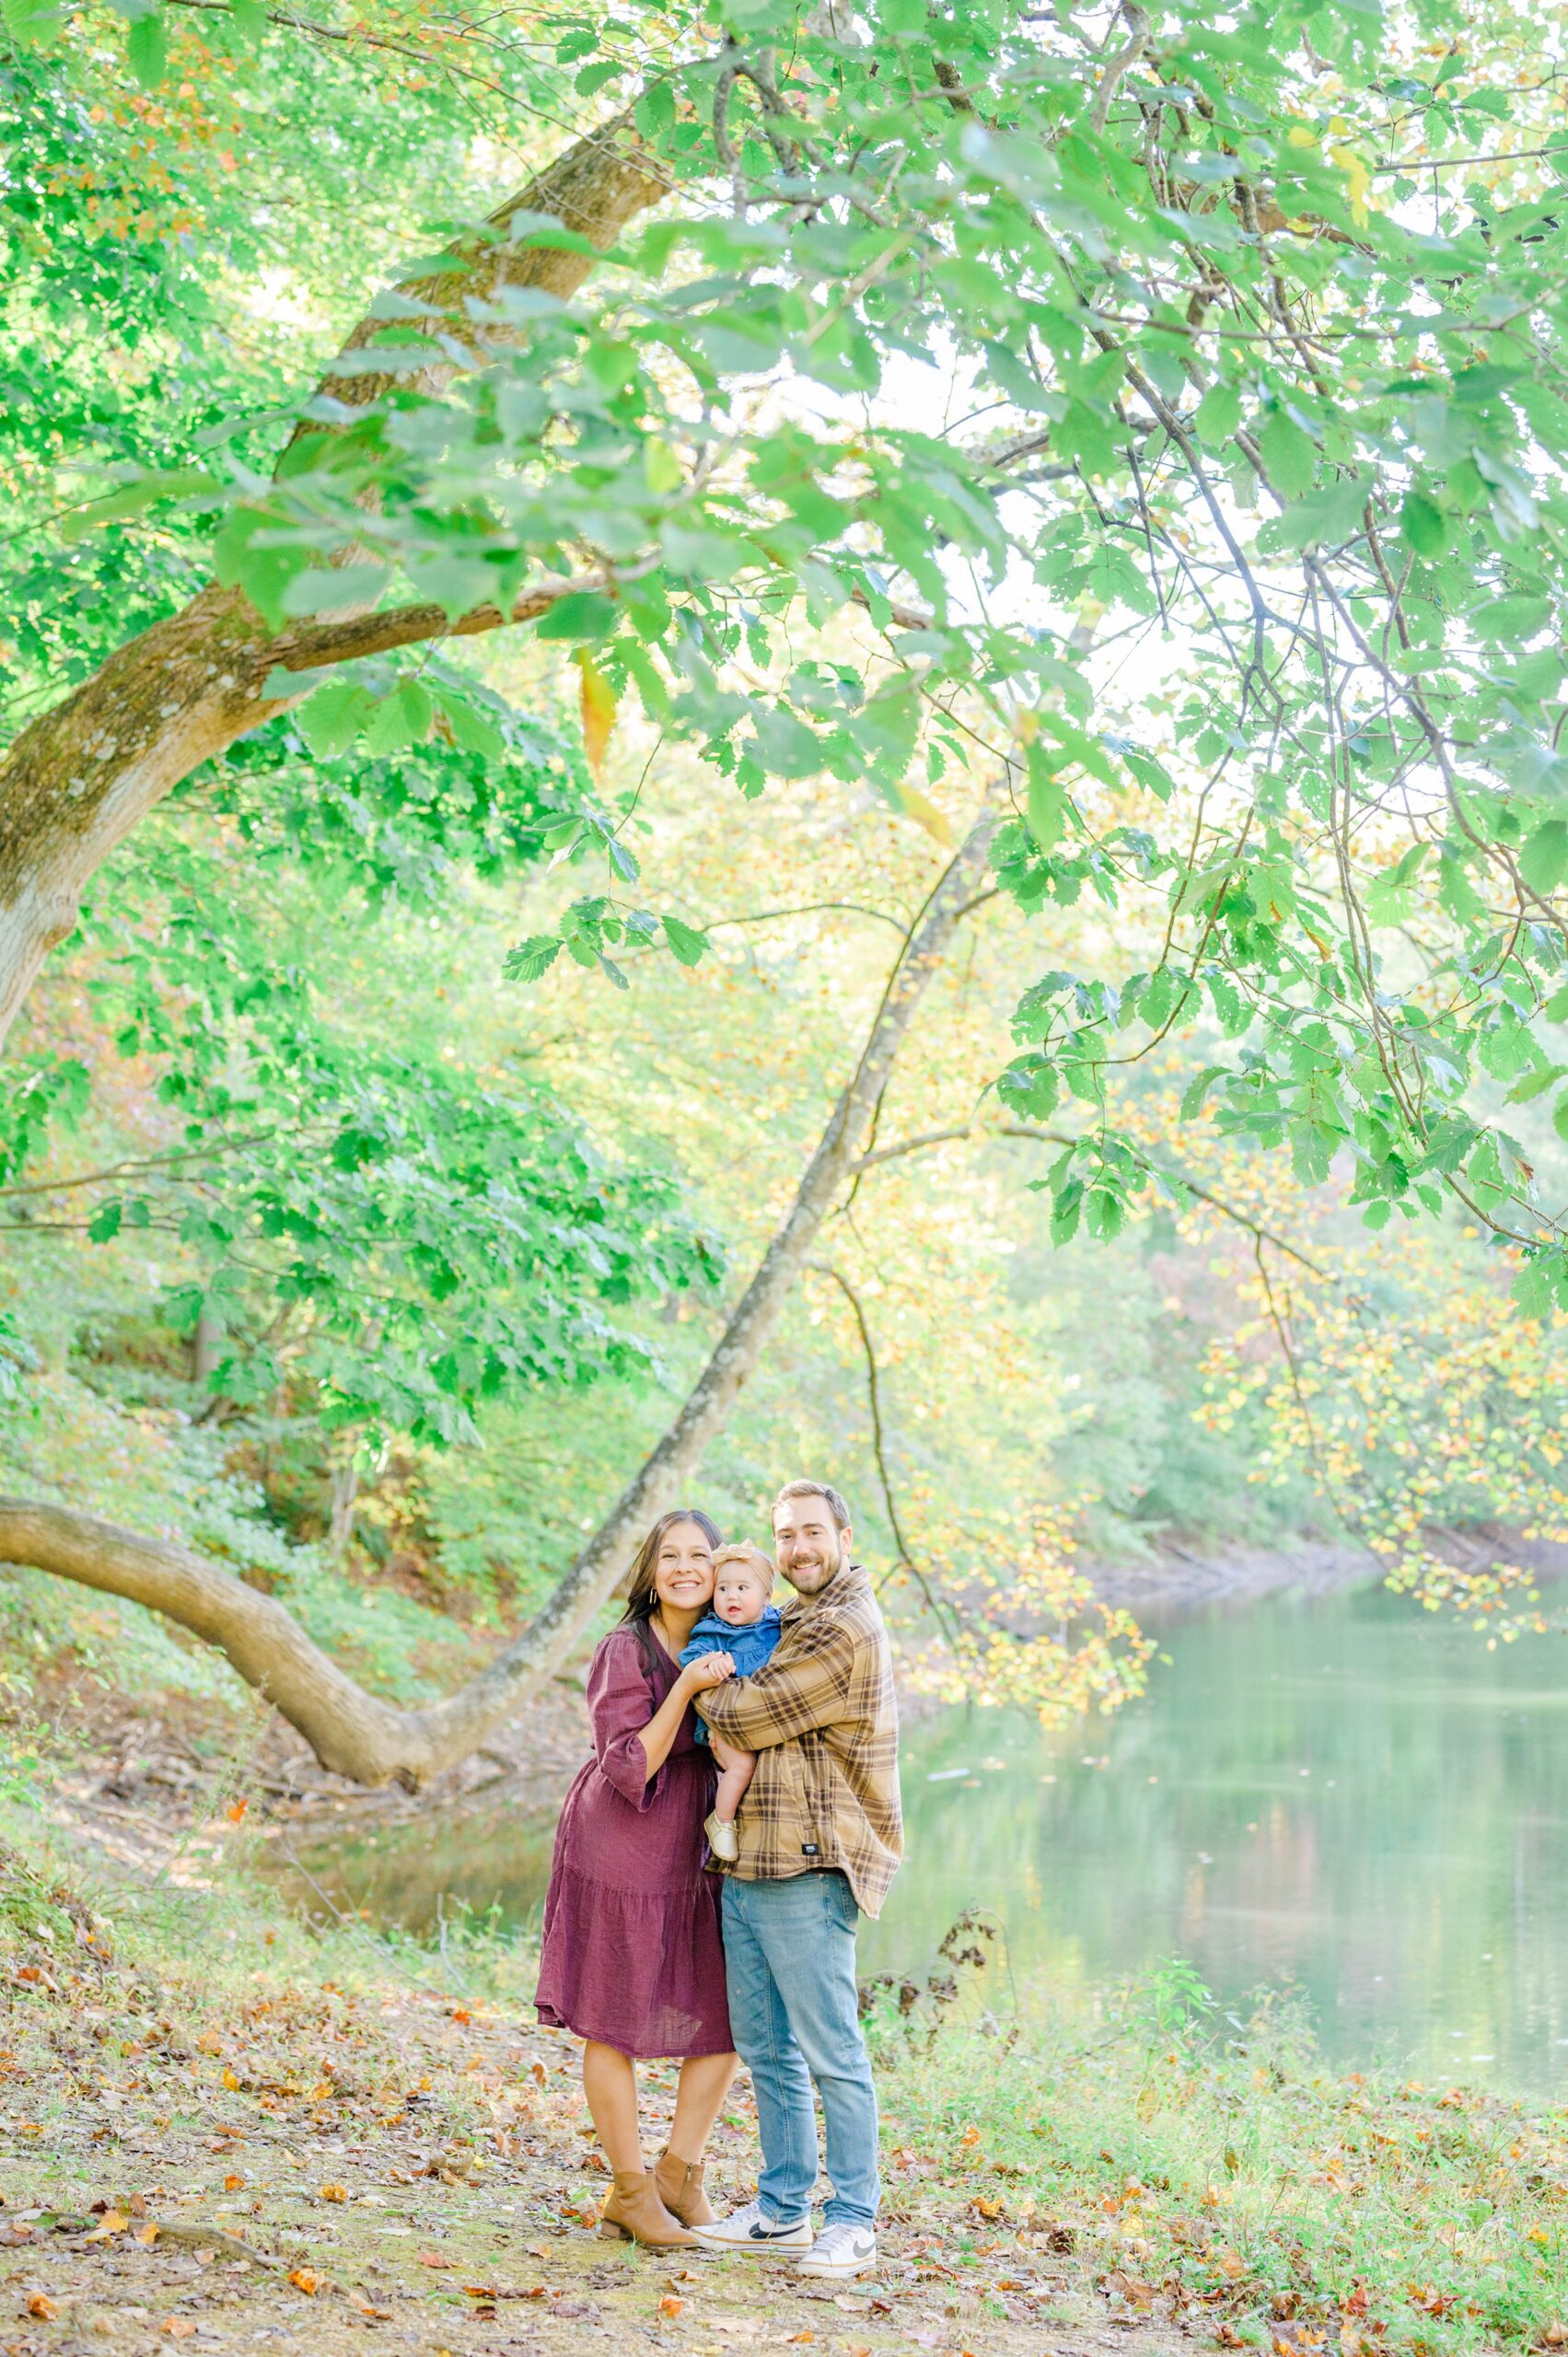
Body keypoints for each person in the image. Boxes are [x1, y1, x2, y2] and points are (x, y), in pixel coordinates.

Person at [691, 1480, 901, 2282]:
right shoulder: (791, 1618)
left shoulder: (843, 1625)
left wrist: (710, 1688)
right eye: (785, 1536)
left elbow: (743, 1716)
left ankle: (852, 2220)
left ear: (844, 1536)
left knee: (830, 2052)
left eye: (812, 1532)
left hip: (812, 1866)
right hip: (752, 1859)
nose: (799, 1547)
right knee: (766, 2049)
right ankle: (782, 2209)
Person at [533, 1508, 740, 2249]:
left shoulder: (739, 1634)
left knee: (726, 2013)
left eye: (701, 1555)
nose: (686, 1568)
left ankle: (678, 2173)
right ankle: (628, 2192)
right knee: (613, 2015)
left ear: (722, 1568)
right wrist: (683, 1689)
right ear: (651, 1569)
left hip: (698, 1848)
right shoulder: (625, 1649)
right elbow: (628, 1764)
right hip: (620, 1841)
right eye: (670, 1555)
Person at [678, 1541, 784, 1862]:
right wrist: (713, 1663)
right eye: (723, 1588)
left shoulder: (777, 1626)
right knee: (742, 1765)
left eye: (742, 1588)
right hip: (722, 1726)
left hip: (762, 1720)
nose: (731, 1596)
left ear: (766, 1596)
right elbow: (690, 1660)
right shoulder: (714, 1632)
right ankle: (721, 1822)